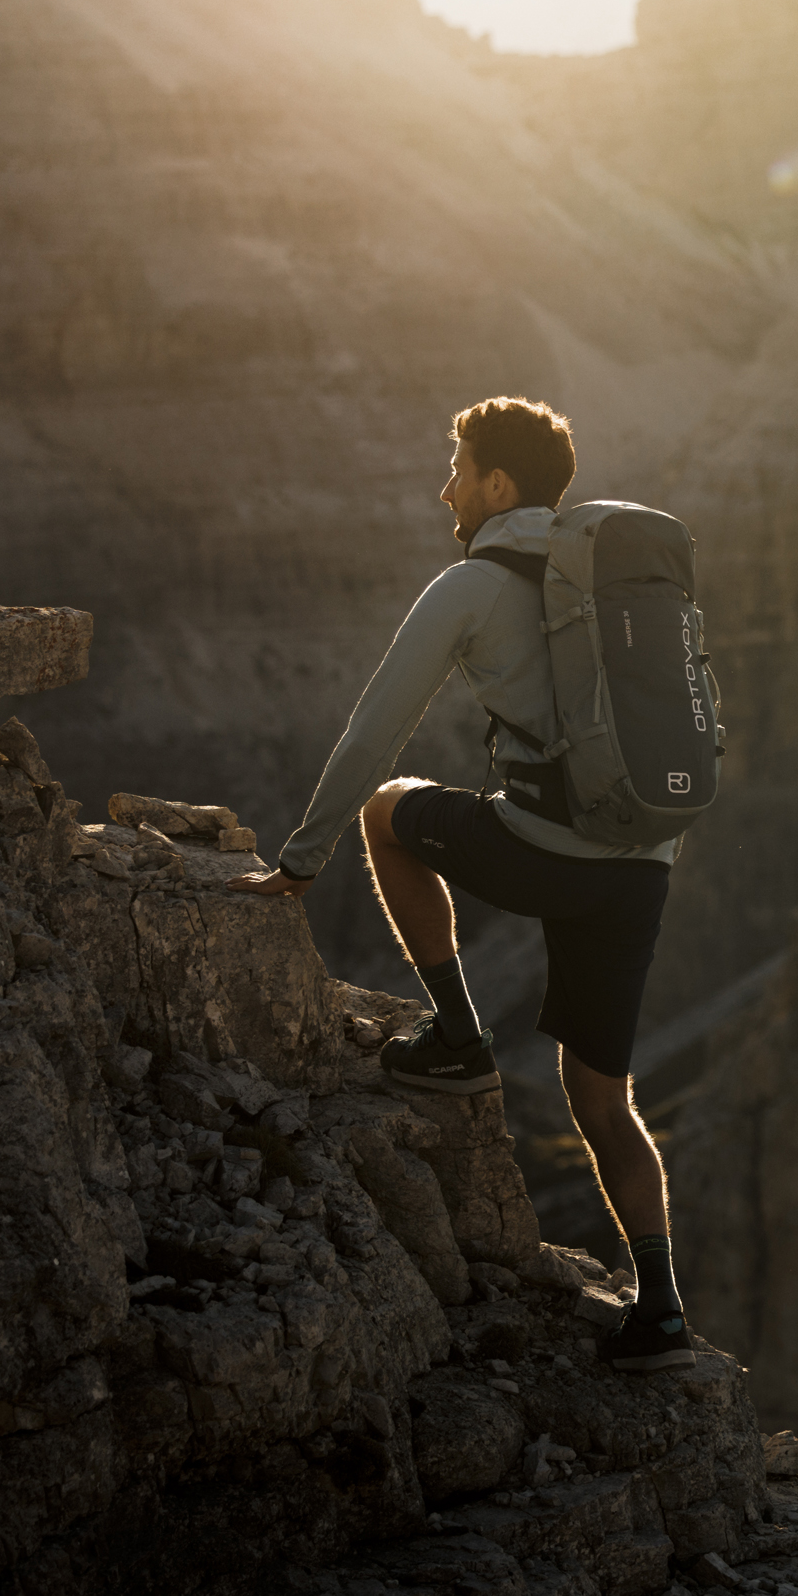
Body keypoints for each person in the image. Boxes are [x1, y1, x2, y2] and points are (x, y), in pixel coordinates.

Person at [231, 395, 697, 1373]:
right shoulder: (609, 579)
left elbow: (373, 733)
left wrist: (303, 857)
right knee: (603, 1097)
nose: (446, 485)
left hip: (545, 850)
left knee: (386, 807)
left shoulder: (472, 582)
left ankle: (456, 1033)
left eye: (458, 465)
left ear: (497, 483)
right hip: (640, 864)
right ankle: (661, 1310)